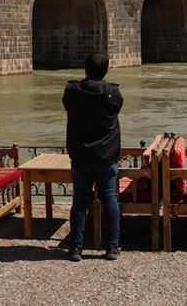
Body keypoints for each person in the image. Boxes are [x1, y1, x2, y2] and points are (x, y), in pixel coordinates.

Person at [62, 52, 123, 261]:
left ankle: (76, 248)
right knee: (109, 199)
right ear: (106, 71)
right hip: (106, 156)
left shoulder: (72, 92)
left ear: (85, 69)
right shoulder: (113, 93)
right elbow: (116, 107)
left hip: (81, 155)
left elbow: (67, 105)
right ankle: (112, 247)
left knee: (80, 201)